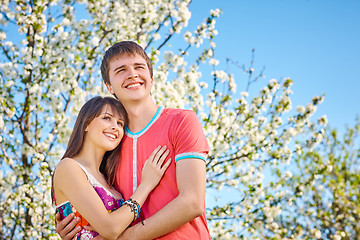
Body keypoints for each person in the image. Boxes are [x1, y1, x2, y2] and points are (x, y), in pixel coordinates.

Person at [56, 41, 210, 240]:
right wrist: (75, 223)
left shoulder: (181, 122)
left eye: (139, 67)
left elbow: (192, 202)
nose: (132, 74)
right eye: (121, 70)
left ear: (151, 78)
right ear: (109, 86)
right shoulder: (110, 144)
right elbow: (100, 207)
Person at [52, 96, 171, 239]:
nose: (115, 127)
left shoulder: (109, 179)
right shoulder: (68, 167)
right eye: (107, 118)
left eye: (120, 123)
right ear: (86, 124)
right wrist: (145, 185)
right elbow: (111, 228)